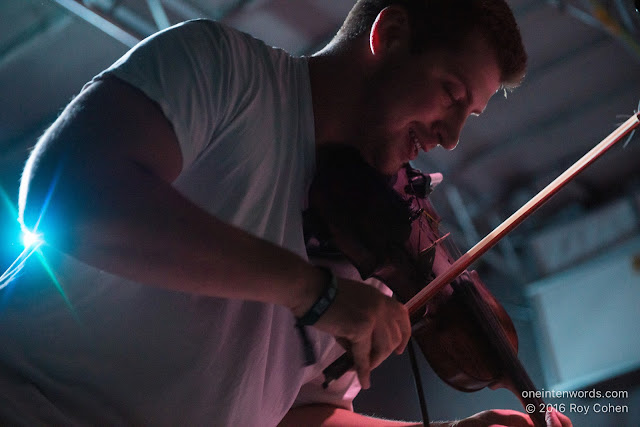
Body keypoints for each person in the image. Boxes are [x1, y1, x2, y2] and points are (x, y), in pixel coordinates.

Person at [1, 0, 571, 425]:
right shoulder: (224, 70)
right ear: (390, 35)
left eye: (469, 114)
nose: (451, 137)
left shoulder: (376, 239)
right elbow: (68, 197)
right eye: (451, 93)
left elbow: (301, 411)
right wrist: (311, 291)